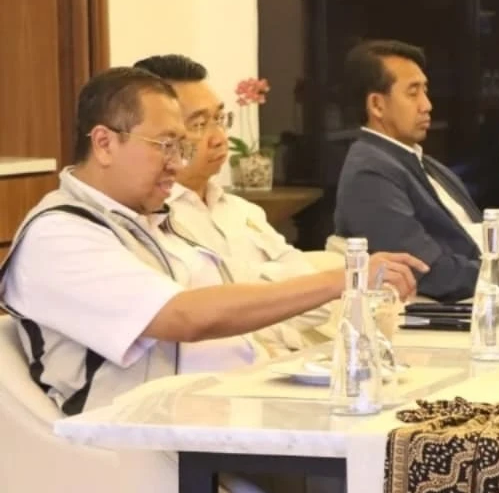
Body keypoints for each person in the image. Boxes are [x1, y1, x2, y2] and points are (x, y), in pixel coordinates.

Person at [0, 67, 423, 416]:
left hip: (233, 410)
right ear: (104, 143)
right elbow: (186, 317)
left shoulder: (154, 220)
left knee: (405, 415)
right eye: (165, 146)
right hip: (152, 442)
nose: (176, 164)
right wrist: (344, 278)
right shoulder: (59, 235)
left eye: (181, 147)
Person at [133, 54, 328, 354]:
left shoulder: (243, 211)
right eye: (199, 124)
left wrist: (239, 301)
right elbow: (196, 323)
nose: (219, 138)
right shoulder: (149, 217)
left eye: (219, 120)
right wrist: (272, 294)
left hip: (279, 365)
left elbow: (319, 306)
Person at [333, 40, 486, 302]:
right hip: (451, 308)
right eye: (413, 93)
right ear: (377, 105)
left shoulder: (425, 163)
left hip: (487, 293)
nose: (427, 105)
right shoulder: (370, 173)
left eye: (425, 91)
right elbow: (424, 269)